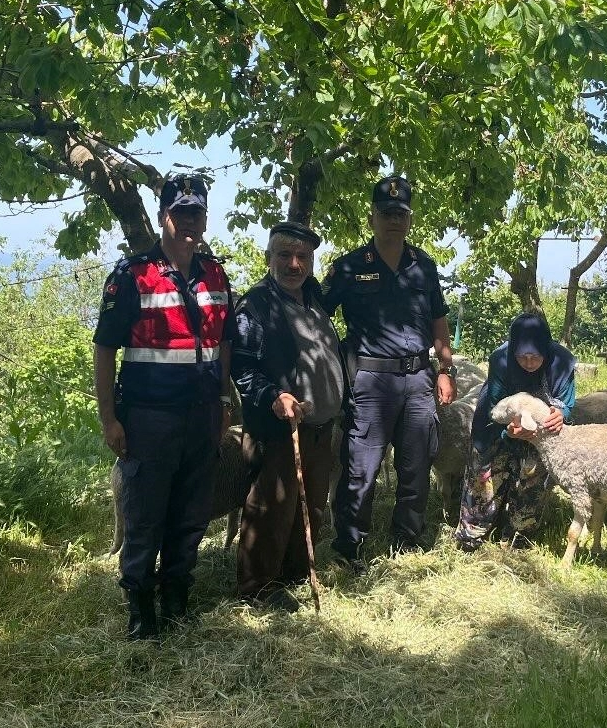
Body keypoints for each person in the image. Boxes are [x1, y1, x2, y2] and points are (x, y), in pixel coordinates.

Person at [93, 174, 234, 640]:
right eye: (180, 213)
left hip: (202, 415)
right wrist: (109, 419)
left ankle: (177, 601)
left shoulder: (215, 275)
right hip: (149, 417)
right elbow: (105, 348)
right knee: (145, 516)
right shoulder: (132, 275)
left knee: (191, 515)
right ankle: (141, 612)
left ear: (204, 220)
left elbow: (224, 344)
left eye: (197, 214)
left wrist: (224, 401)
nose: (189, 222)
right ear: (163, 217)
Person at [323, 175, 457, 571]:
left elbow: (438, 319)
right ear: (372, 218)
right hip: (369, 381)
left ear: (409, 219)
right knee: (360, 468)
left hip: (418, 380)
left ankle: (407, 539)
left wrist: (445, 369)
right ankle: (349, 547)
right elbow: (316, 315)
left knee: (416, 465)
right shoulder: (349, 267)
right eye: (386, 213)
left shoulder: (423, 266)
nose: (394, 220)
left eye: (401, 214)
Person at [231, 221, 347, 611]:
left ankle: (294, 573)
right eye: (284, 255)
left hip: (319, 425)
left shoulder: (313, 297)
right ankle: (257, 587)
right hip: (279, 426)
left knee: (310, 503)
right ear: (269, 258)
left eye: (303, 257)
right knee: (272, 506)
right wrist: (273, 396)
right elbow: (242, 367)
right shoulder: (256, 306)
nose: (294, 264)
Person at [453, 312, 576, 551]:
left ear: (546, 350)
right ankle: (473, 535)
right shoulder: (501, 360)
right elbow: (495, 405)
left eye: (535, 357)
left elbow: (566, 401)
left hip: (541, 428)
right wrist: (508, 431)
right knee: (486, 478)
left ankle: (518, 536)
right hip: (497, 422)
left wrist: (560, 414)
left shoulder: (562, 362)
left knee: (533, 476)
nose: (529, 363)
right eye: (522, 357)